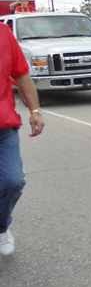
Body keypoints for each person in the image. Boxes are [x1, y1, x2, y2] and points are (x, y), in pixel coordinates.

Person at [0, 22, 45, 256]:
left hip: (2, 126)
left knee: (13, 181)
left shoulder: (2, 33)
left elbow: (21, 73)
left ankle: (1, 227)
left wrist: (34, 110)